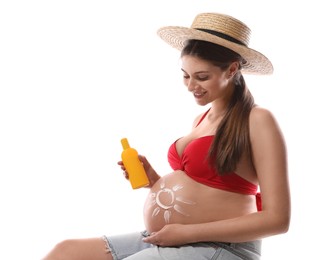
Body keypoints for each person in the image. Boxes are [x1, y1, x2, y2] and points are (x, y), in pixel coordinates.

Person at [42, 12, 290, 260]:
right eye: (185, 75)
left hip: (224, 247)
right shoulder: (201, 120)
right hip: (176, 239)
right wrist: (155, 182)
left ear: (232, 69)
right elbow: (203, 188)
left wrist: (187, 233)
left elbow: (278, 220)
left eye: (202, 77)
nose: (191, 86)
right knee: (66, 252)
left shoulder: (257, 120)